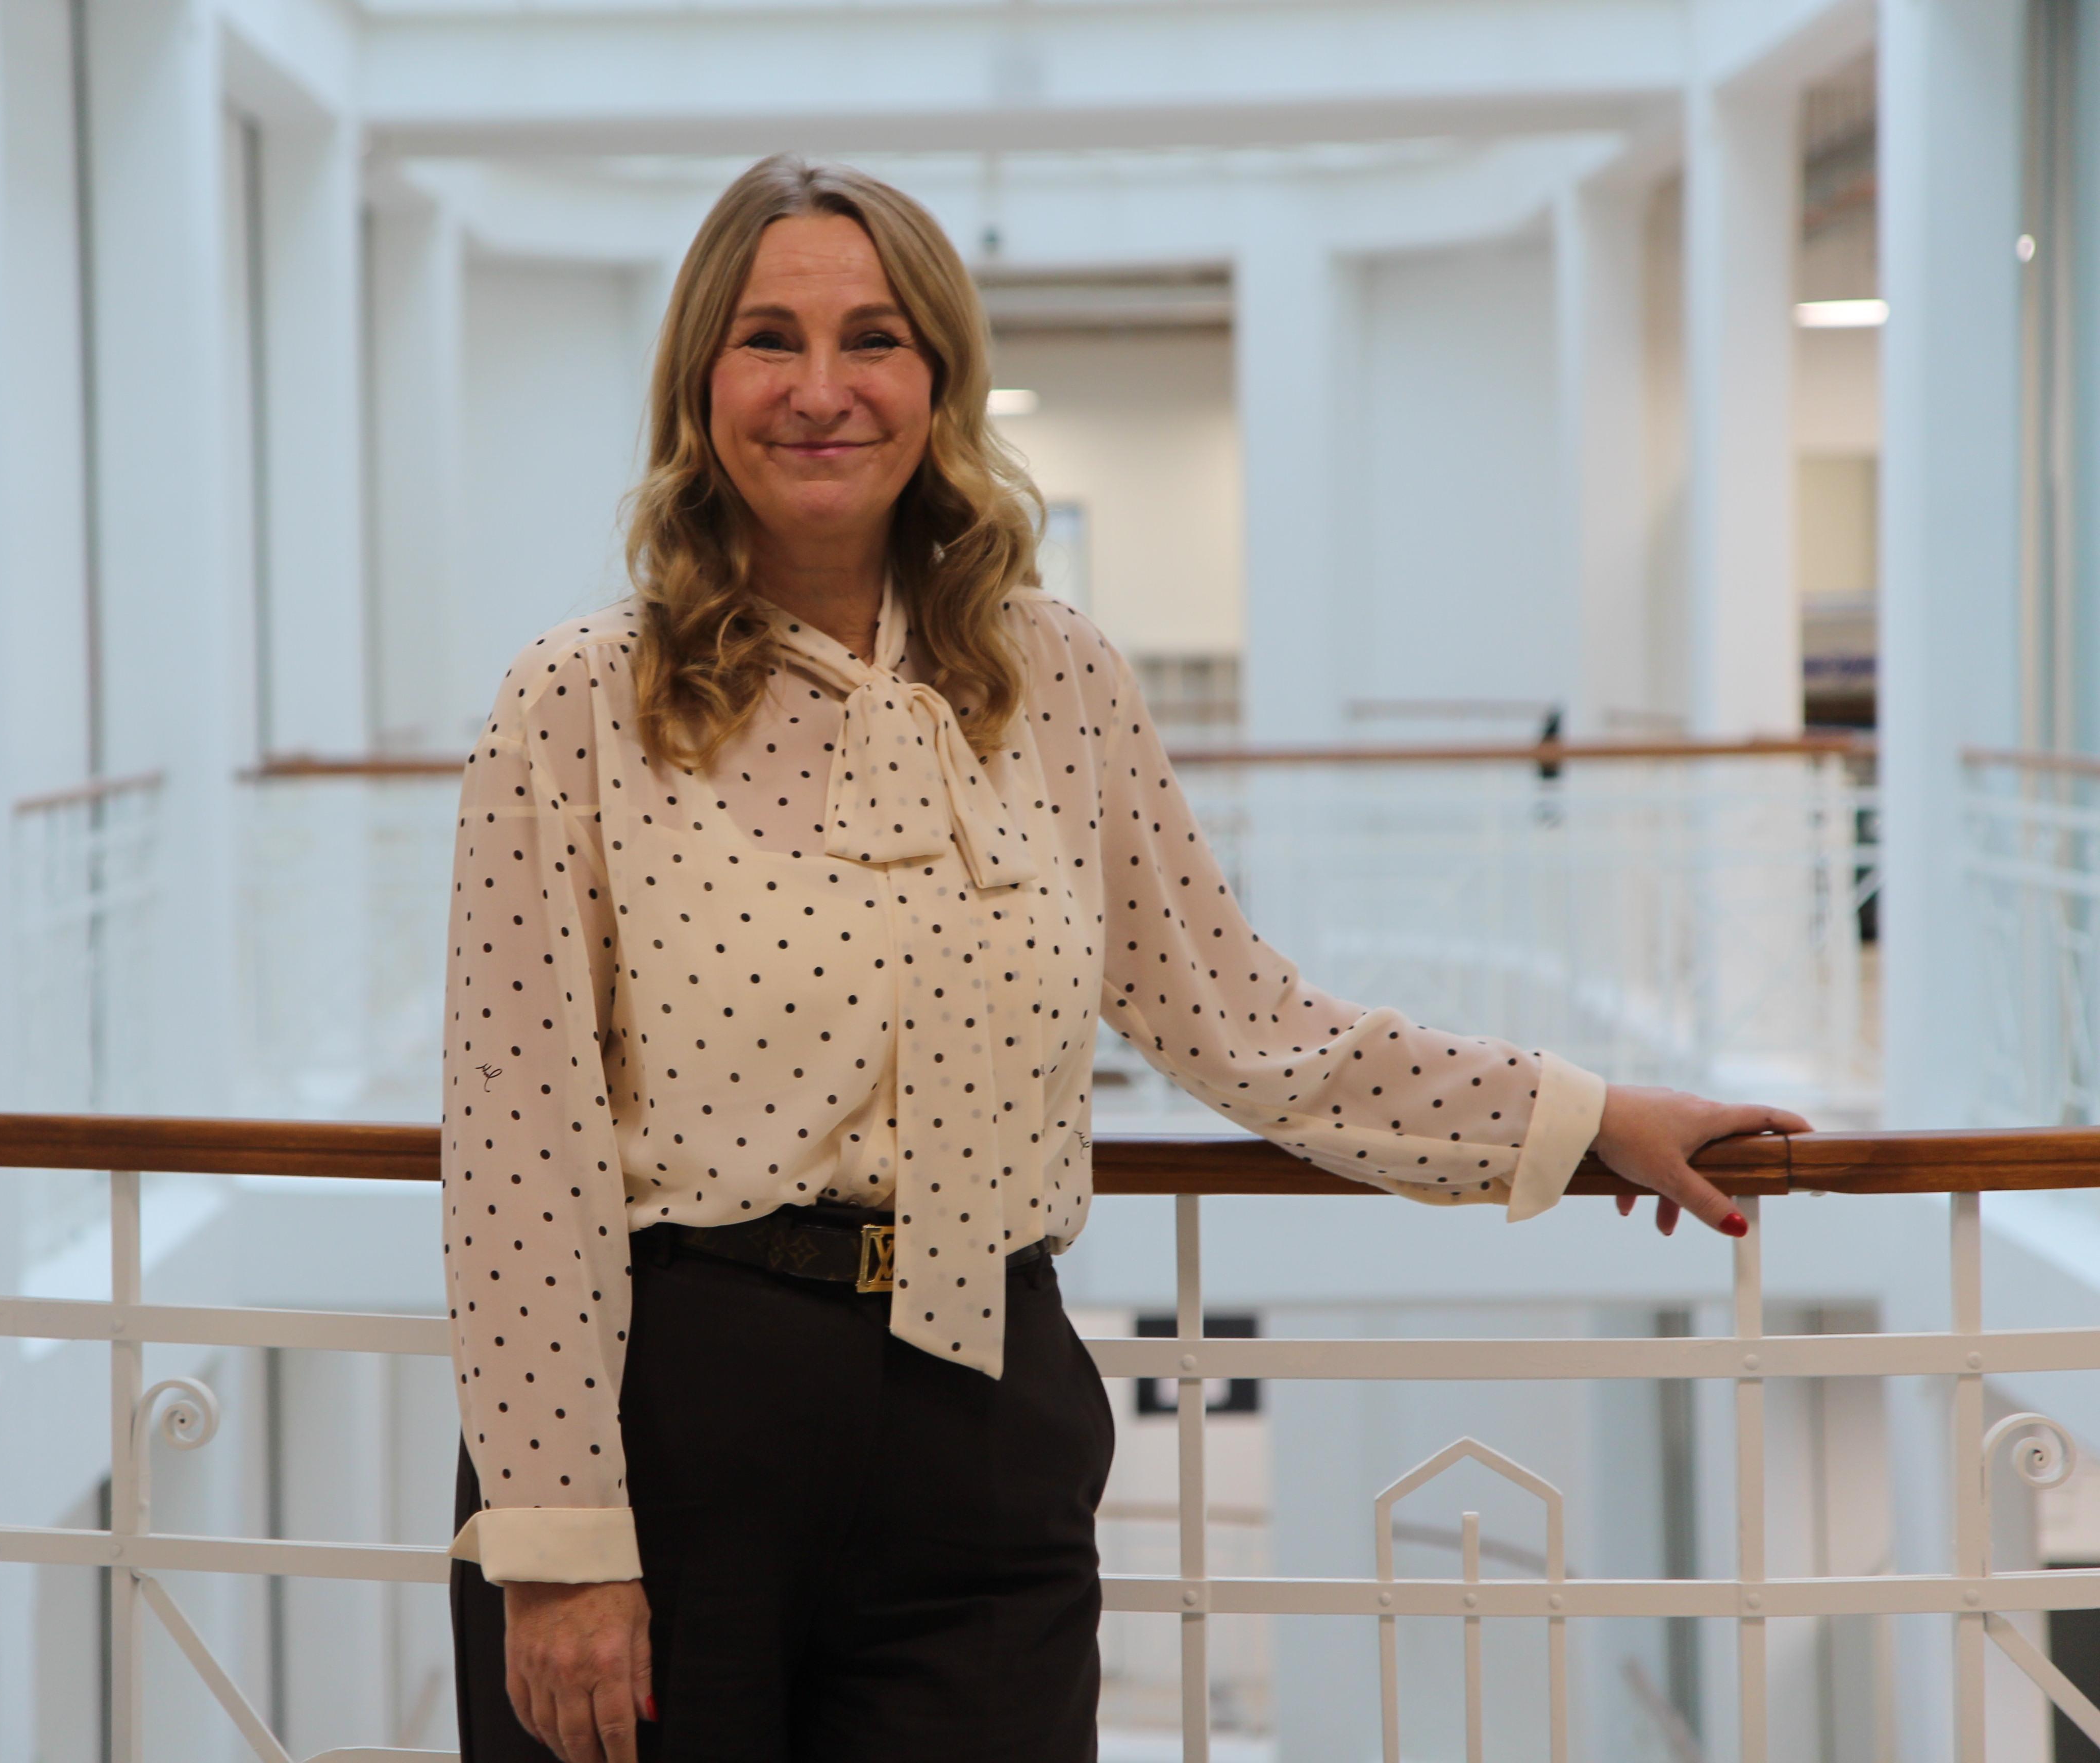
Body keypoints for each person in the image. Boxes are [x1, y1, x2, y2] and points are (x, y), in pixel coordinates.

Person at [437, 154, 1808, 1763]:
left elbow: (1243, 1018)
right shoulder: (577, 702)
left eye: (874, 339)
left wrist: (1578, 1118)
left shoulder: (1056, 680)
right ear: (700, 382)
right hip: (678, 1421)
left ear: (940, 380)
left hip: (983, 1421)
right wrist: (559, 1541)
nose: (821, 389)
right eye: (768, 340)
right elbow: (518, 1145)